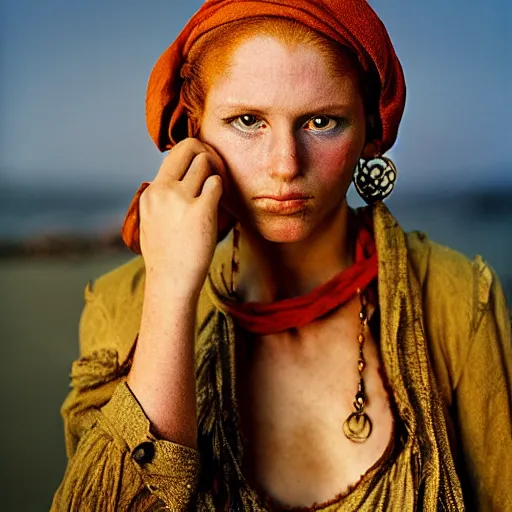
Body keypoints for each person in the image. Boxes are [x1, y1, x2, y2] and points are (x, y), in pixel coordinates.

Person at [51, 0, 512, 510]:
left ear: (370, 131)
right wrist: (169, 294)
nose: (285, 165)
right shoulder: (121, 307)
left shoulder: (458, 300)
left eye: (321, 122)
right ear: (194, 131)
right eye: (248, 120)